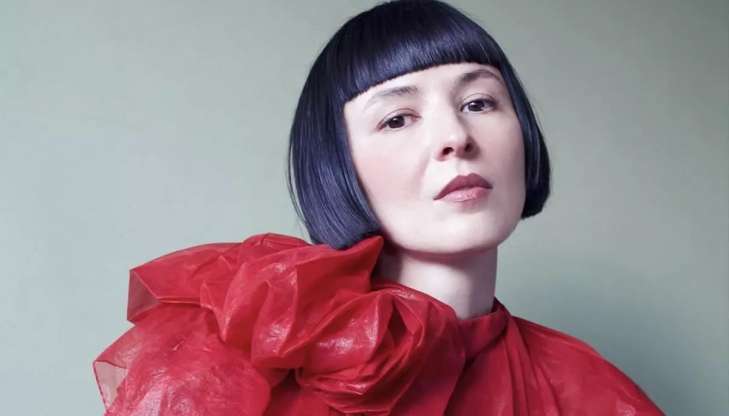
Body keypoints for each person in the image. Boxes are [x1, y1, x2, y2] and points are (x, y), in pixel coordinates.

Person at [93, 0, 664, 414]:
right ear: (337, 161)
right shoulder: (250, 354)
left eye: (479, 102)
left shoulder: (588, 390)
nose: (455, 137)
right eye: (397, 118)